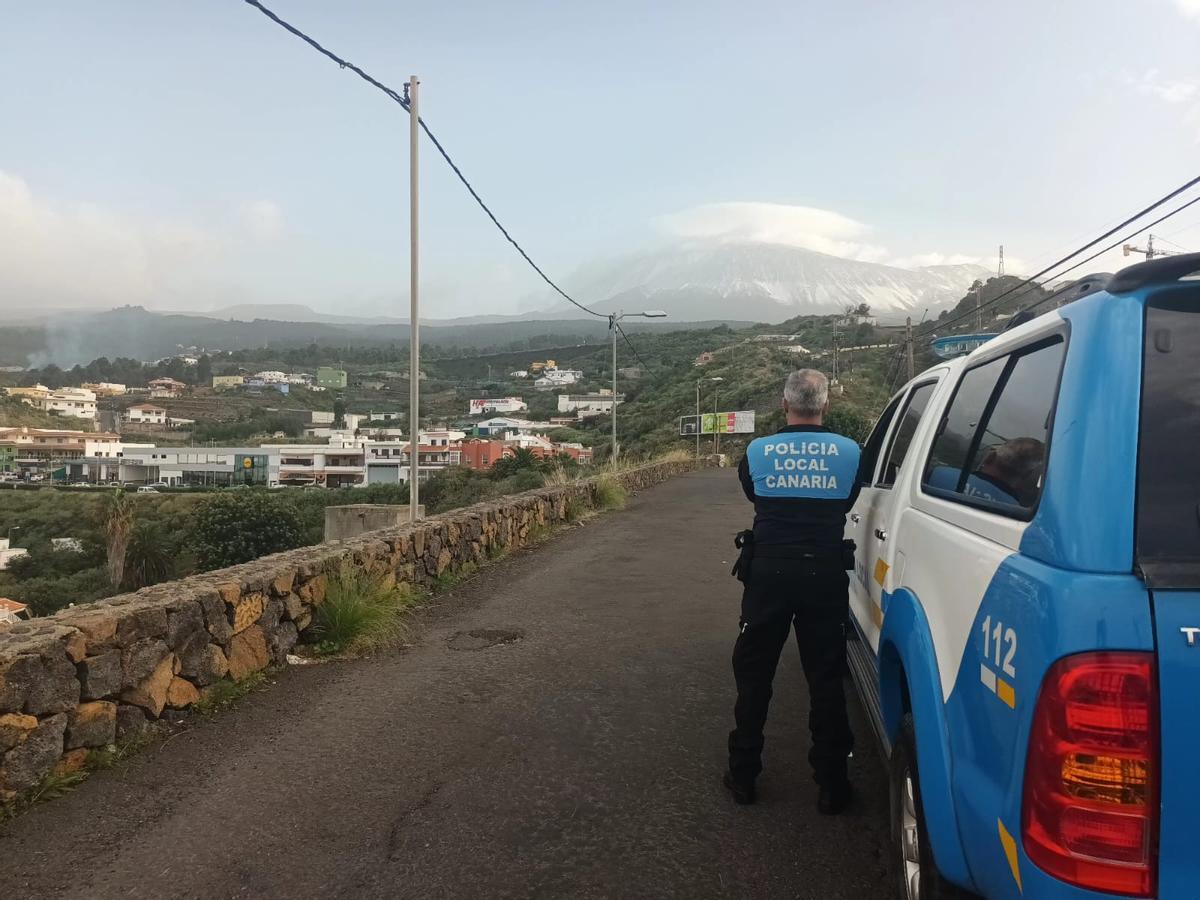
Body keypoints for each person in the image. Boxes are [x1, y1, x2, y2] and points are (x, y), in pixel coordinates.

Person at [725, 368, 862, 813]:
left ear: (784, 405)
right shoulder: (850, 452)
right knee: (825, 678)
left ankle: (743, 775)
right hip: (824, 574)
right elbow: (849, 499)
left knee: (754, 676)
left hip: (768, 574)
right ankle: (832, 785)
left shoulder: (758, 450)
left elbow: (753, 493)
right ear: (825, 405)